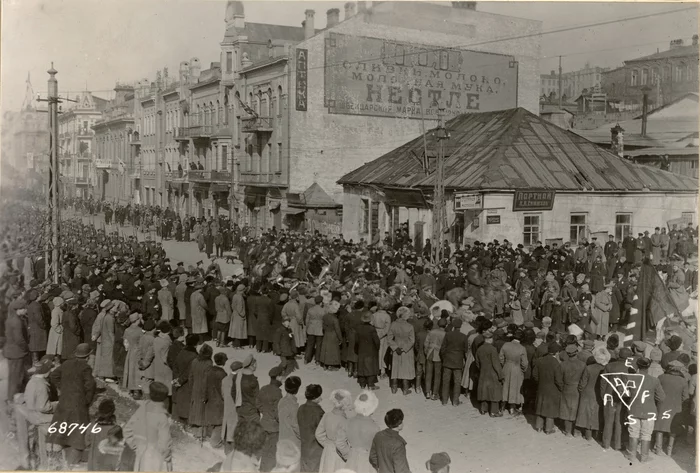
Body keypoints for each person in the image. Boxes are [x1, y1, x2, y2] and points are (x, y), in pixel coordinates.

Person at [123, 381, 173, 471]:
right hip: (155, 458)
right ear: (165, 399)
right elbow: (165, 443)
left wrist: (135, 446)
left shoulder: (142, 409)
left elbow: (127, 430)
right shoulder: (162, 417)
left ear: (150, 394)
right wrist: (167, 458)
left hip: (140, 453)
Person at [625, 357, 665, 463]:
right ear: (648, 366)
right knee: (646, 434)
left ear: (637, 366)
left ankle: (631, 455)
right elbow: (661, 397)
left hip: (634, 409)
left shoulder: (630, 378)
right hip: (649, 411)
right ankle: (644, 457)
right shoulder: (654, 380)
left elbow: (625, 394)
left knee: (633, 432)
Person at [338, 390, 380, 473]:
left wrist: (348, 455)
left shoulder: (348, 422)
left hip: (352, 459)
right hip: (368, 462)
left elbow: (339, 442)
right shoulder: (375, 427)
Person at [655, 360, 690, 456]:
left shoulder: (661, 377)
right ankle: (669, 450)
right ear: (679, 369)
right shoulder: (683, 381)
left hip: (662, 405)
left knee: (660, 426)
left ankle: (658, 449)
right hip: (676, 407)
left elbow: (656, 392)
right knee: (673, 428)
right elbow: (685, 397)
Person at [575, 346, 609, 440]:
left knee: (586, 413)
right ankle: (596, 434)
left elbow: (583, 382)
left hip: (587, 393)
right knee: (596, 414)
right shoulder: (606, 369)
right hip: (599, 394)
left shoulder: (589, 368)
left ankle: (587, 434)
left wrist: (581, 390)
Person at [257, 365, 285, 472]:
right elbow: (278, 412)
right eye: (282, 376)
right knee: (272, 451)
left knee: (264, 449)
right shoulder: (278, 392)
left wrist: (265, 413)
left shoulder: (264, 388)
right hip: (274, 427)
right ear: (278, 377)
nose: (283, 378)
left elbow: (258, 404)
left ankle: (262, 469)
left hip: (264, 423)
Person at [316, 388, 351, 472]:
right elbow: (341, 443)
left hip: (327, 451)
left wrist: (328, 444)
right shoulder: (344, 421)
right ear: (344, 404)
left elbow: (318, 434)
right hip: (339, 455)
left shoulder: (327, 415)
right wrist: (348, 455)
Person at [532, 342, 563, 434]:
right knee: (550, 408)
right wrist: (561, 388)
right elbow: (558, 379)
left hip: (541, 387)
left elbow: (535, 375)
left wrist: (540, 382)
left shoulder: (539, 360)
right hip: (552, 389)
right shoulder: (556, 363)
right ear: (556, 352)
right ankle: (549, 429)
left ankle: (538, 426)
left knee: (540, 405)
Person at [369, 408, 412, 473]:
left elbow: (372, 457)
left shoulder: (378, 435)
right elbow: (401, 469)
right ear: (399, 425)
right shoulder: (398, 444)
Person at [87, 399, 121, 471]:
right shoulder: (117, 429)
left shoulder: (91, 426)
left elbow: (87, 442)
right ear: (113, 411)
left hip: (93, 465)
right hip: (108, 466)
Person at [559, 344, 586, 436]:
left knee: (566, 408)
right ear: (576, 352)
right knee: (576, 408)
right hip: (577, 389)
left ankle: (567, 431)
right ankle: (576, 431)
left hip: (566, 388)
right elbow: (583, 379)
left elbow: (560, 379)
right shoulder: (582, 365)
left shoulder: (563, 364)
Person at [388, 306, 416, 395]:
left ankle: (394, 388)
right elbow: (412, 340)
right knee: (405, 369)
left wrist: (395, 347)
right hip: (406, 350)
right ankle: (405, 389)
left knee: (395, 368)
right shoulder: (410, 326)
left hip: (396, 349)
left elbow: (389, 339)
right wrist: (404, 349)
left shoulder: (393, 324)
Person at [499, 329, 528, 415]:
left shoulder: (506, 345)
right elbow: (525, 363)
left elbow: (500, 358)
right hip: (516, 368)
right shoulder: (522, 348)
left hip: (506, 366)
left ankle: (502, 406)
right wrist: (522, 370)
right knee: (514, 387)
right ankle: (512, 408)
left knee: (505, 386)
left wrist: (504, 365)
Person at [475, 330, 504, 416]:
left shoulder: (479, 349)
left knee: (484, 391)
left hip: (483, 373)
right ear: (490, 339)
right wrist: (500, 375)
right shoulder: (493, 349)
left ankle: (483, 409)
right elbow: (496, 364)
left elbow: (477, 363)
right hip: (492, 374)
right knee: (494, 392)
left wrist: (482, 369)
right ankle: (494, 411)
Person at [188, 343, 214, 439]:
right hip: (204, 389)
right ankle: (201, 433)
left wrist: (192, 388)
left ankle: (195, 431)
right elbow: (208, 379)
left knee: (195, 409)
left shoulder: (194, 361)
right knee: (202, 410)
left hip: (195, 387)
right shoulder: (209, 363)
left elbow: (190, 376)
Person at [298, 384, 324, 473]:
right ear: (315, 397)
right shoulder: (319, 412)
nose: (321, 398)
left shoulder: (301, 408)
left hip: (304, 448)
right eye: (319, 396)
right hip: (316, 449)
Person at [204, 352, 228, 448]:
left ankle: (209, 436)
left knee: (211, 419)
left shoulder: (209, 370)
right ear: (224, 361)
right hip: (219, 402)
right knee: (219, 423)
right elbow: (224, 391)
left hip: (209, 400)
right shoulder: (223, 374)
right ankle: (215, 442)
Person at [355, 311, 381, 390]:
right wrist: (377, 348)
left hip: (361, 349)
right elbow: (376, 341)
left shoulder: (358, 328)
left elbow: (356, 341)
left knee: (362, 366)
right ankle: (371, 384)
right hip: (371, 350)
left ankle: (362, 384)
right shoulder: (372, 329)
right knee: (371, 367)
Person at [231, 354, 260, 424]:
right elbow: (257, 398)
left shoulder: (237, 376)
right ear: (252, 365)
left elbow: (233, 393)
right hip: (251, 411)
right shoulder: (253, 380)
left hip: (239, 409)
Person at [221, 360, 243, 454]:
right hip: (235, 408)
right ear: (239, 370)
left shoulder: (225, 379)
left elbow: (222, 394)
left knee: (227, 428)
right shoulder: (239, 381)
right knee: (235, 428)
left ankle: (227, 450)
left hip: (227, 407)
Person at [277, 375, 301, 449]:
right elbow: (295, 425)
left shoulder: (281, 401)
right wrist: (302, 436)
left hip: (282, 438)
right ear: (297, 389)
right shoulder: (293, 405)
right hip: (292, 441)